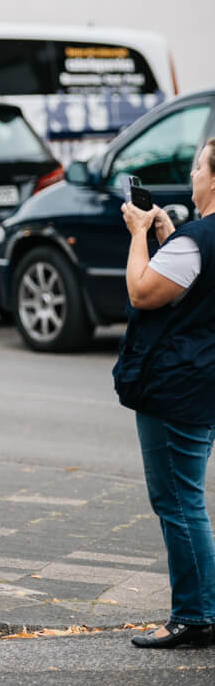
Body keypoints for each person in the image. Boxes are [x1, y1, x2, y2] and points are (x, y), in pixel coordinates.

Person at [114, 138, 215, 649]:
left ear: (213, 179)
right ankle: (202, 610)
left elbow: (142, 291)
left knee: (178, 500)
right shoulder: (194, 239)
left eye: (198, 167)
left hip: (177, 385)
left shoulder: (198, 239)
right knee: (187, 496)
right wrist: (171, 236)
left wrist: (139, 234)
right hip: (205, 380)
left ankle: (196, 615)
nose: (193, 176)